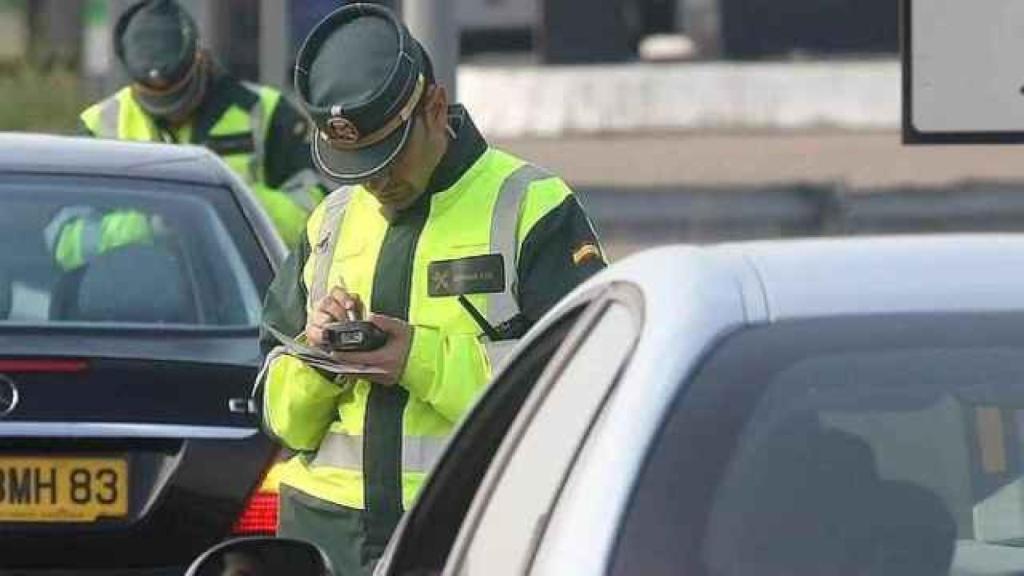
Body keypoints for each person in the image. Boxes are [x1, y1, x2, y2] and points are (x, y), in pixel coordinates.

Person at [257, 4, 607, 574]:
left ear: (435, 108)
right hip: (326, 543)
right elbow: (282, 419)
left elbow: (581, 387)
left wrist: (420, 359)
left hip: (470, 531)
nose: (374, 180)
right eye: (356, 163)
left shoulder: (531, 207)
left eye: (387, 157)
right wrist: (317, 358)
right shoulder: (330, 221)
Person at [75, 0, 323, 250]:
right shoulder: (98, 126)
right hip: (130, 281)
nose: (174, 110)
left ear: (199, 56)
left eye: (180, 92)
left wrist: (233, 199)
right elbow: (67, 240)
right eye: (157, 96)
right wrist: (151, 221)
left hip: (237, 280)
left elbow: (317, 218)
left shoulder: (266, 112)